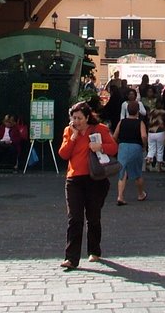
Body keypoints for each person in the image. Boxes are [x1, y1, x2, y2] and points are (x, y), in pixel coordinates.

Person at [57, 100, 118, 270]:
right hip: (74, 179)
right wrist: (74, 137)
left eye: (79, 118)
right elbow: (63, 154)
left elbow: (113, 148)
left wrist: (100, 146)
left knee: (93, 217)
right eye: (73, 118)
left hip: (95, 179)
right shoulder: (69, 131)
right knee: (74, 218)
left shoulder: (100, 129)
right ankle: (71, 258)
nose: (76, 121)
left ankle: (94, 250)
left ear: (87, 117)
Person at [113, 100, 148, 204]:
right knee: (137, 172)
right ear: (138, 111)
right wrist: (144, 145)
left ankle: (120, 196)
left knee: (122, 172)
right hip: (136, 147)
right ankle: (141, 194)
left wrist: (119, 143)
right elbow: (144, 136)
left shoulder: (122, 122)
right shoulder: (140, 123)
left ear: (127, 110)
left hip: (123, 147)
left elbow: (114, 136)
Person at [146, 101, 165, 172]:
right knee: (160, 149)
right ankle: (159, 167)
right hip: (160, 131)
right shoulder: (164, 112)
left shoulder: (152, 111)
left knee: (151, 149)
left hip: (151, 131)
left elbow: (148, 119)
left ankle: (148, 162)